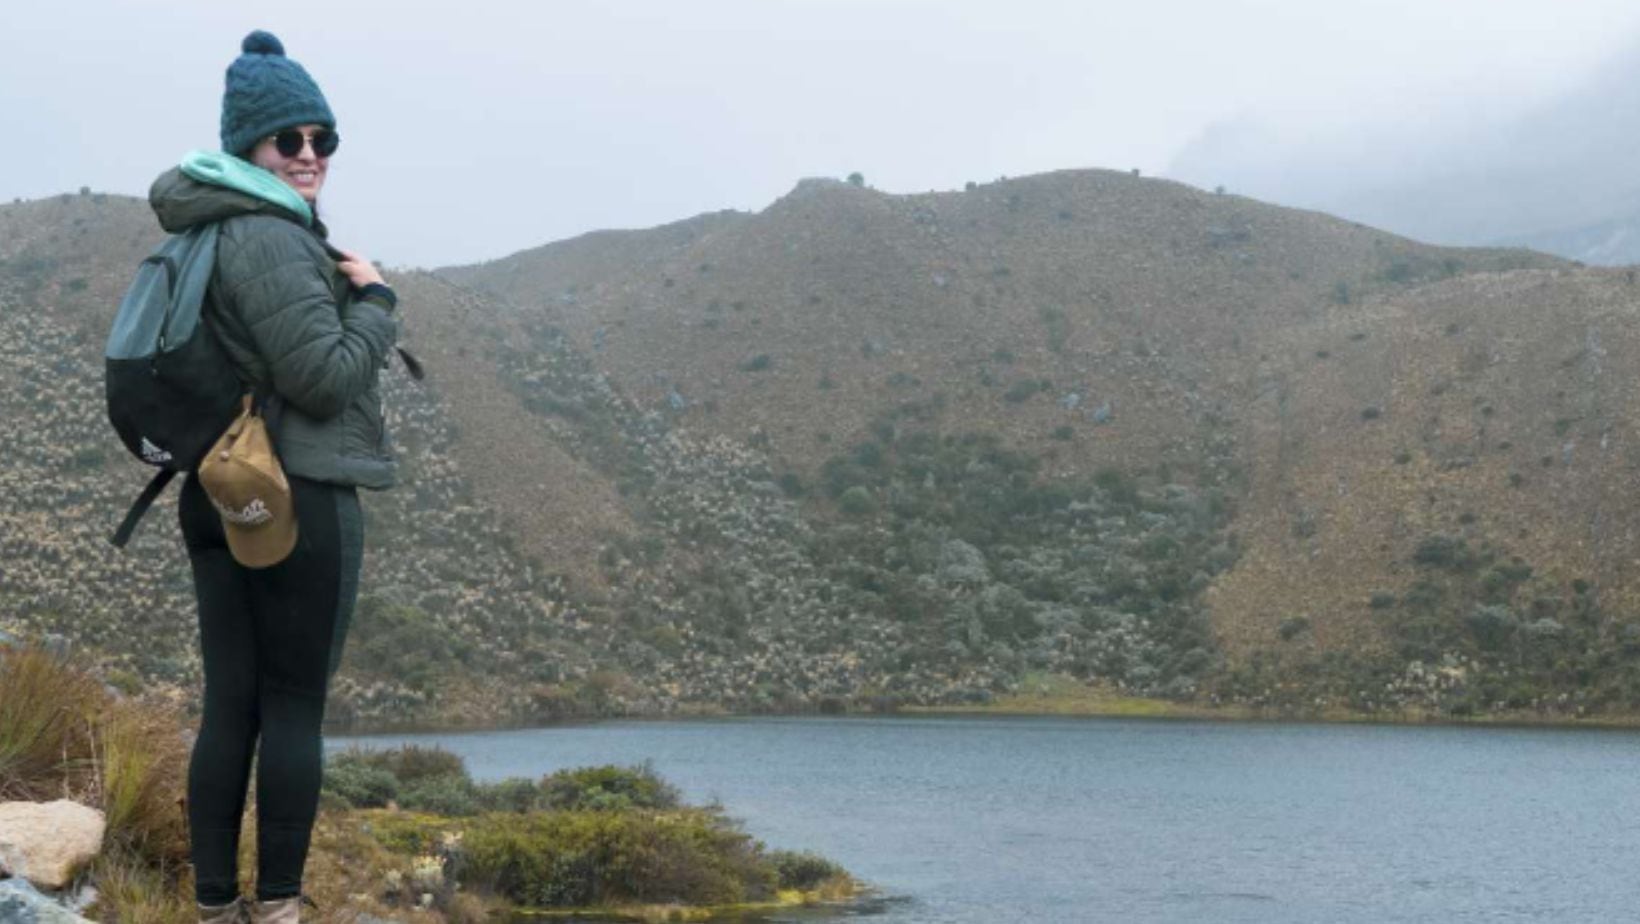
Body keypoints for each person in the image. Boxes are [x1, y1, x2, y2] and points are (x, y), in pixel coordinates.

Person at [147, 30, 401, 924]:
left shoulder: (209, 228)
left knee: (232, 707)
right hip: (294, 496)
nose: (306, 156)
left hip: (216, 490)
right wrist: (374, 302)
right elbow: (324, 377)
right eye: (285, 140)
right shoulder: (270, 237)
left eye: (319, 139)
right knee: (291, 708)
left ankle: (216, 907)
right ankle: (281, 908)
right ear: (245, 148)